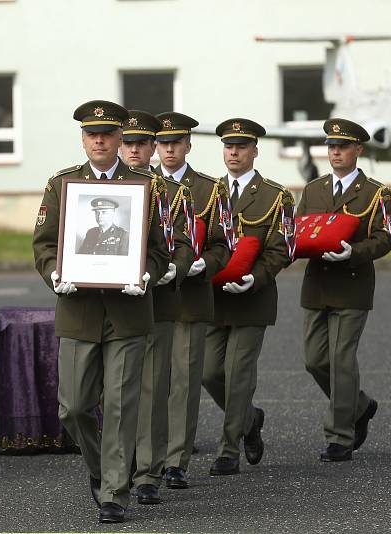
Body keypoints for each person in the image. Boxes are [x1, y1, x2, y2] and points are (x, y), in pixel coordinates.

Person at [32, 100, 170, 524]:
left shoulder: (148, 187)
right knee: (71, 407)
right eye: (92, 134)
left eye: (107, 134)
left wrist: (144, 274)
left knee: (119, 407)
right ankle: (101, 468)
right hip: (79, 310)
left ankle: (114, 492)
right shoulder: (63, 185)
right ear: (83, 139)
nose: (99, 140)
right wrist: (56, 273)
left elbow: (161, 251)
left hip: (128, 313)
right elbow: (43, 244)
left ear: (119, 139)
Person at [297, 118, 391, 462]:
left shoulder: (375, 192)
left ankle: (340, 435)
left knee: (341, 360)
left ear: (358, 150)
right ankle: (360, 405)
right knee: (314, 361)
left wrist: (353, 252)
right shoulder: (313, 190)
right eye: (331, 147)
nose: (335, 152)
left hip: (352, 285)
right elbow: (299, 229)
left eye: (342, 146)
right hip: (317, 285)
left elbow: (386, 237)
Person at [202, 118, 293, 476]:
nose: (234, 152)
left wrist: (254, 278)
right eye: (228, 146)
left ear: (255, 151)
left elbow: (283, 247)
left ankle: (228, 449)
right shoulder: (209, 193)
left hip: (253, 298)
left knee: (238, 373)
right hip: (215, 298)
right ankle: (250, 418)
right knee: (209, 372)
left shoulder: (275, 195)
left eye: (241, 146)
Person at [119, 110, 192, 505]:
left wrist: (171, 269)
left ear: (152, 148)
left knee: (150, 388)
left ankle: (147, 471)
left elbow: (184, 242)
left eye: (141, 143)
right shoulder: (93, 185)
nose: (133, 149)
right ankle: (118, 464)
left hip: (156, 301)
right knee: (111, 390)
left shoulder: (169, 192)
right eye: (126, 142)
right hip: (109, 303)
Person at [154, 111, 229, 489]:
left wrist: (205, 263)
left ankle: (175, 460)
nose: (169, 148)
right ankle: (149, 454)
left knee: (183, 381)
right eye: (163, 142)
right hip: (149, 298)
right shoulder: (143, 183)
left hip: (190, 297)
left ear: (188, 145)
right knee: (154, 381)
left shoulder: (211, 189)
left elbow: (224, 243)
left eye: (176, 142)